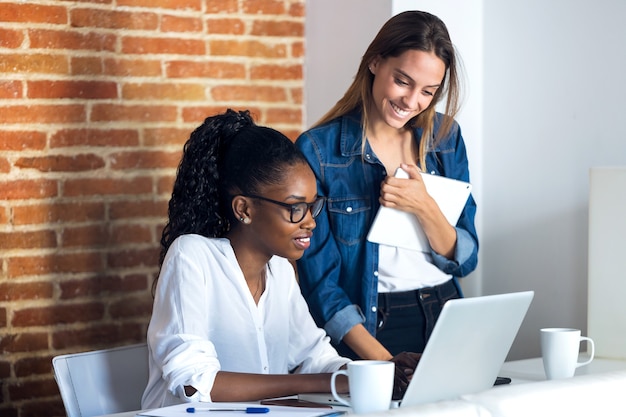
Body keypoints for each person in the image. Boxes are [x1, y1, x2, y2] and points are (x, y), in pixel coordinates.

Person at [141, 109, 418, 409]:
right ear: (244, 209)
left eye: (313, 206)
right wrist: (332, 382)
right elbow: (194, 383)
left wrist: (381, 371)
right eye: (295, 208)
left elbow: (316, 358)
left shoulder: (280, 271)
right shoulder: (192, 256)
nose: (310, 221)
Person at [295, 11, 478, 362]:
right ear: (376, 61)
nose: (412, 102)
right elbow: (320, 285)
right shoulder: (318, 150)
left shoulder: (446, 138)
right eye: (403, 81)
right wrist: (383, 363)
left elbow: (466, 258)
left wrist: (424, 206)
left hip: (446, 313)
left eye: (428, 91)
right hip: (373, 327)